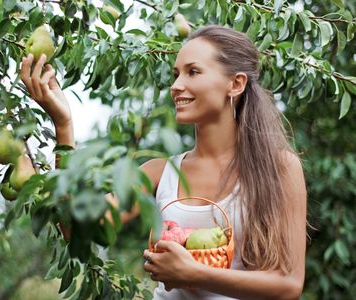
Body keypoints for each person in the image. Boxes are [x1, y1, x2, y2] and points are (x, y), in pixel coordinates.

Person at [20, 25, 307, 299]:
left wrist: (196, 274)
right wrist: (63, 124)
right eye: (176, 74)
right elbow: (78, 231)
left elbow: (289, 284)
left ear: (235, 83)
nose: (176, 85)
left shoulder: (279, 168)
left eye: (193, 72)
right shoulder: (159, 173)